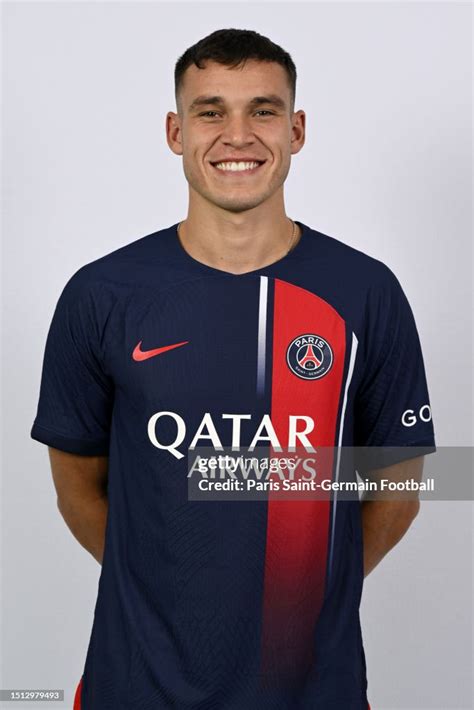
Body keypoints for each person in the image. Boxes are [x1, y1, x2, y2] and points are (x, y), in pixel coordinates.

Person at [31, 28, 436, 710]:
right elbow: (77, 488)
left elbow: (402, 482)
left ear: (297, 129)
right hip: (136, 688)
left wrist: (311, 589)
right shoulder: (102, 296)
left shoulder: (366, 292)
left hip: (314, 691)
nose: (237, 135)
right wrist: (173, 590)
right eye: (211, 111)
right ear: (175, 131)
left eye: (264, 110)